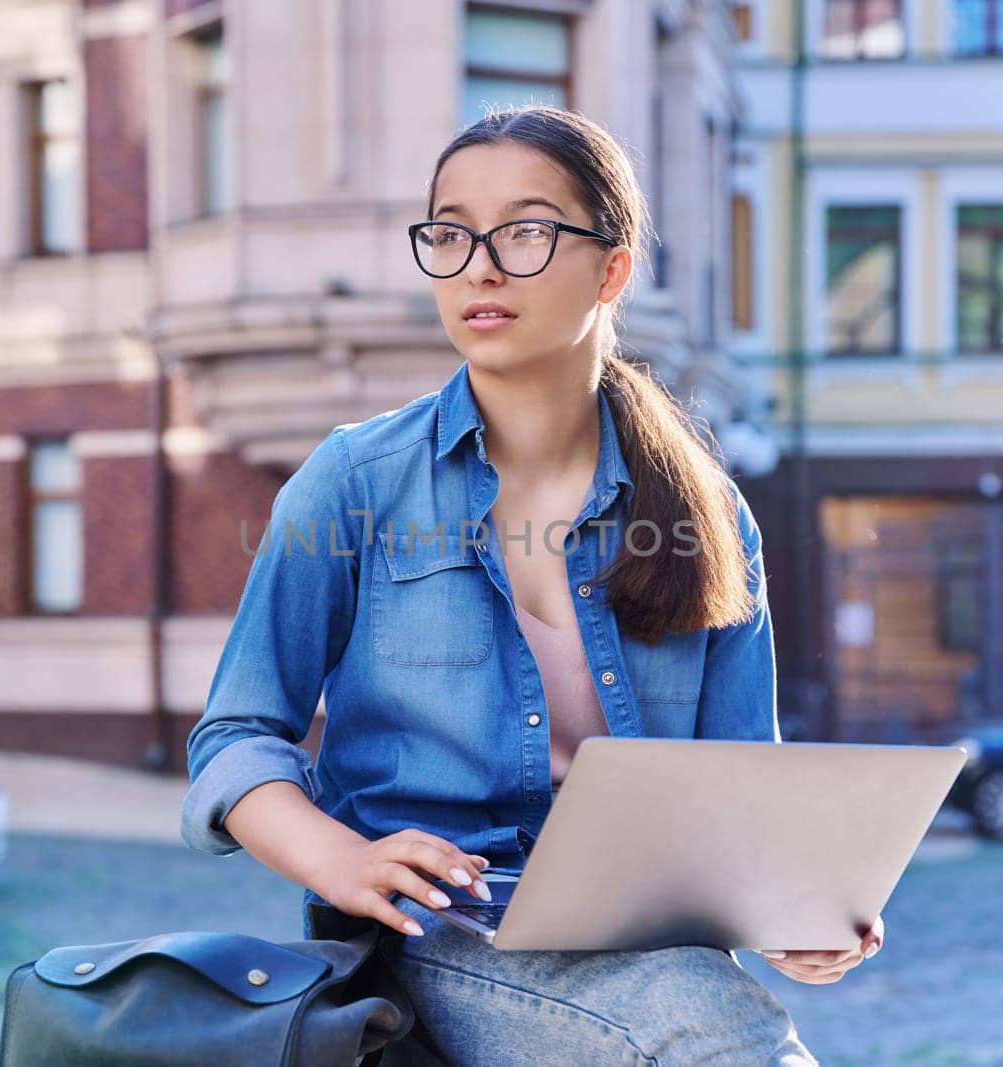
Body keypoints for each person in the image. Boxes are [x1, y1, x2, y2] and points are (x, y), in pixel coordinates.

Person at [182, 104, 881, 1065]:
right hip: (437, 937)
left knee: (700, 1013)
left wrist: (796, 914)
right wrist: (342, 861)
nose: (480, 264)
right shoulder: (354, 482)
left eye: (525, 230)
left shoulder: (708, 512)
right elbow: (236, 735)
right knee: (708, 1031)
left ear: (613, 268)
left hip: (642, 945)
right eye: (452, 232)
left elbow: (734, 797)